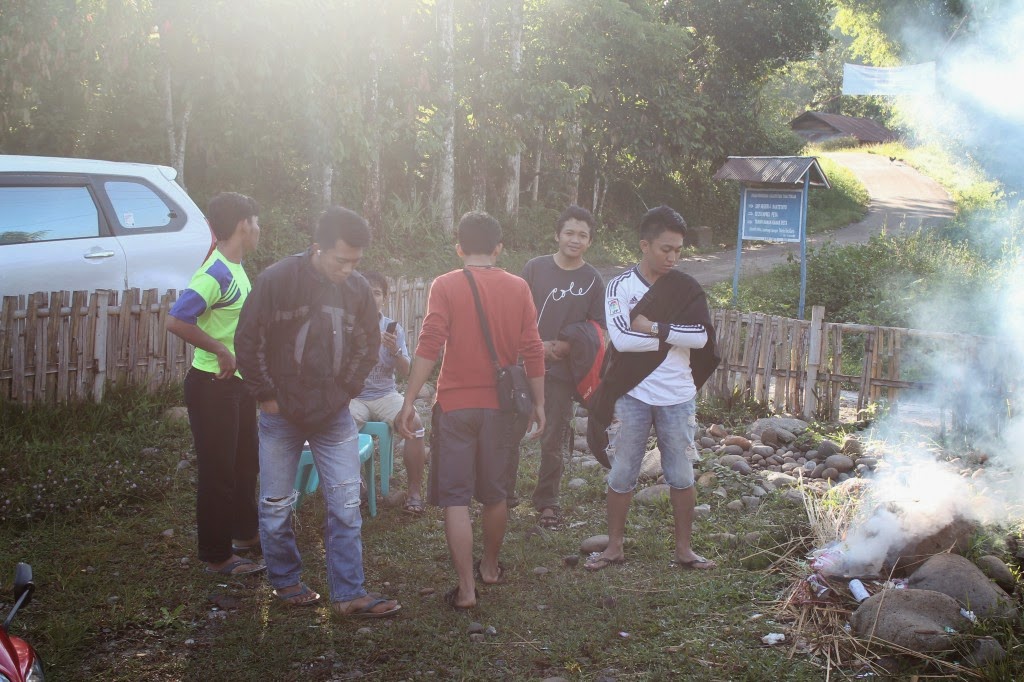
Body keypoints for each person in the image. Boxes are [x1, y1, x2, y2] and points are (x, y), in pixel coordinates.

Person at [235, 206, 401, 618]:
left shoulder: (357, 290)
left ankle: (349, 594)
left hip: (333, 413)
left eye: (355, 262)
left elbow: (367, 345)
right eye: (341, 260)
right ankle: (286, 581)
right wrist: (265, 395)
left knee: (346, 504)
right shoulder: (276, 281)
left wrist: (346, 390)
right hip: (280, 413)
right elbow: (248, 339)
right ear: (317, 248)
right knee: (276, 504)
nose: (348, 270)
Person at [395, 211, 545, 610]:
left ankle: (465, 589)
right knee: (495, 494)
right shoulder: (518, 287)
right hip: (501, 409)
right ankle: (490, 567)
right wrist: (540, 402)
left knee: (456, 498)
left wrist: (409, 399)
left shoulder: (445, 284)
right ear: (499, 248)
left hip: (455, 407)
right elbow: (533, 348)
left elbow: (429, 343)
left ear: (459, 248)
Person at [584, 205, 718, 572]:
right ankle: (613, 547)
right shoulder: (620, 287)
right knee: (622, 472)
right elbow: (622, 341)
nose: (673, 257)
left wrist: (654, 327)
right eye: (665, 249)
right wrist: (674, 336)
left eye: (678, 250)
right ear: (645, 245)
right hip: (632, 394)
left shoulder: (686, 288)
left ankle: (685, 550)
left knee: (682, 474)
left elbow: (702, 337)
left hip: (678, 395)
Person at [167, 192, 265, 577]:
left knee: (245, 464)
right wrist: (219, 350)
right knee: (218, 472)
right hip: (212, 386)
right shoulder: (216, 272)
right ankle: (216, 555)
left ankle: (245, 535)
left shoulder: (237, 268)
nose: (259, 229)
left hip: (237, 385)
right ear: (244, 225)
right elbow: (177, 319)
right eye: (256, 222)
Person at [507, 205, 605, 528]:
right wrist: (534, 347)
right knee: (511, 429)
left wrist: (566, 347)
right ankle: (503, 493)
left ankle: (547, 500)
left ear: (589, 241)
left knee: (553, 437)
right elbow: (515, 313)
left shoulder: (593, 280)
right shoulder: (534, 269)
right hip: (523, 367)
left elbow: (598, 329)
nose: (575, 240)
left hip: (563, 373)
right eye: (569, 233)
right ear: (557, 235)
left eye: (582, 235)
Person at [348, 270, 427, 514]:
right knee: (338, 426)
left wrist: (394, 351)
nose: (371, 298)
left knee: (415, 422)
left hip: (385, 394)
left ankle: (414, 492)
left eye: (377, 293)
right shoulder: (347, 325)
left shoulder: (393, 328)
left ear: (384, 298)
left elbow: (405, 370)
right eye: (366, 292)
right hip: (354, 396)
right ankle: (356, 487)